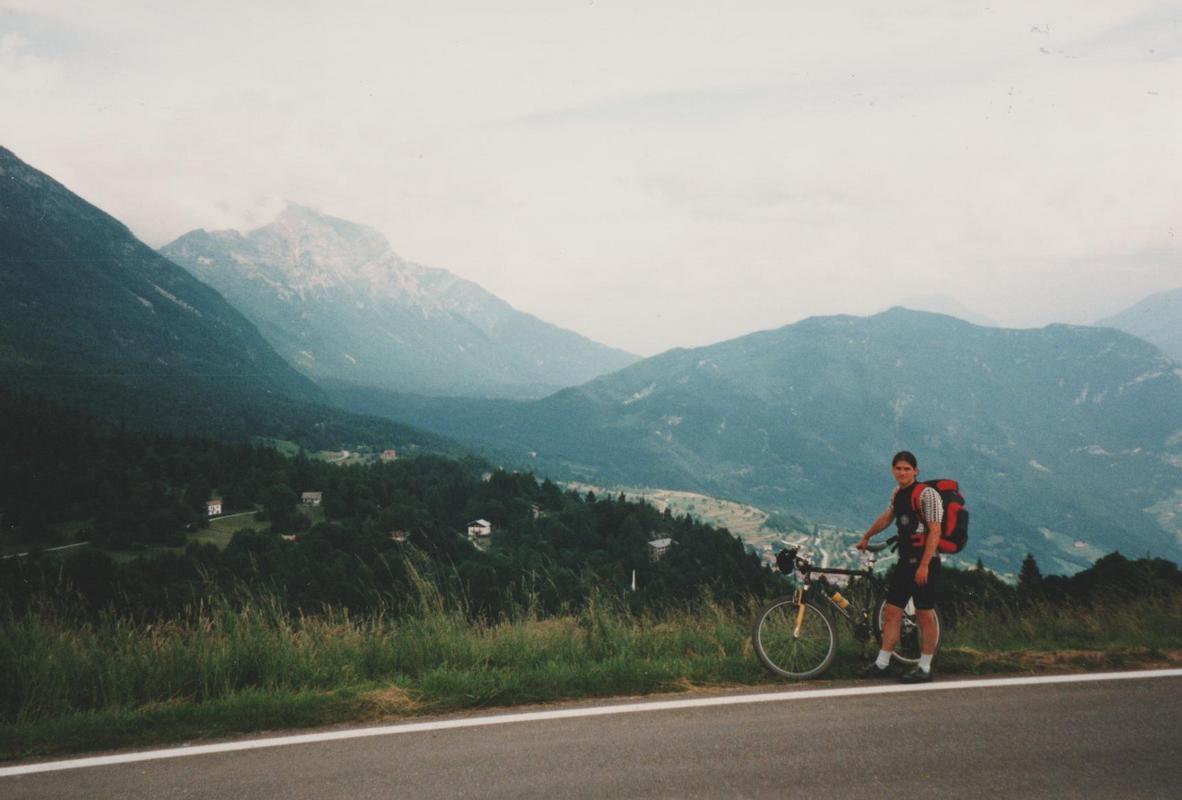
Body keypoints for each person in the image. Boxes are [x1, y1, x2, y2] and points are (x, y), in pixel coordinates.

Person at [856, 450, 942, 683]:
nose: (902, 472)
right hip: (905, 561)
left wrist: (925, 564)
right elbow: (887, 518)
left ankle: (924, 668)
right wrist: (867, 536)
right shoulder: (898, 494)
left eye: (907, 469)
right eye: (898, 468)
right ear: (893, 471)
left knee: (924, 614)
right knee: (892, 612)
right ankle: (882, 663)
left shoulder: (928, 494)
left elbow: (935, 530)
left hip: (926, 561)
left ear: (916, 471)